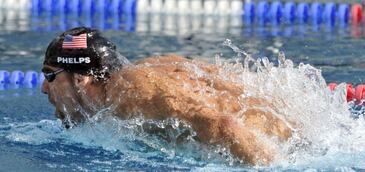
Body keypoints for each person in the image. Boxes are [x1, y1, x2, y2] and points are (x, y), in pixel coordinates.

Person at [41, 27, 293, 165]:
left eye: (51, 76)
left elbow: (224, 125)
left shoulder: (133, 95)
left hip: (277, 146)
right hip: (286, 124)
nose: (44, 88)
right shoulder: (138, 75)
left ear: (80, 79)